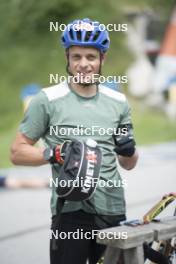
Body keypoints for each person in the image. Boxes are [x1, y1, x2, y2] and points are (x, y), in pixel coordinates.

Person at [10, 18, 138, 264]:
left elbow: (128, 163)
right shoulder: (47, 99)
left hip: (112, 210)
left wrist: (129, 151)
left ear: (103, 59)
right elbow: (17, 152)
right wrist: (54, 153)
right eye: (76, 57)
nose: (84, 64)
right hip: (70, 212)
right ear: (67, 58)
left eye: (91, 57)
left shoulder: (118, 101)